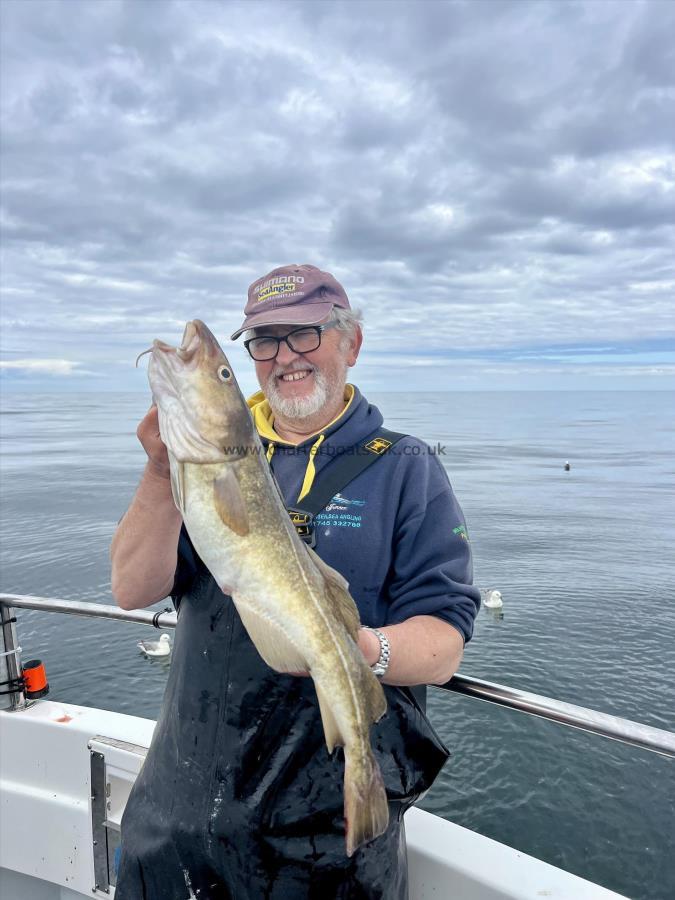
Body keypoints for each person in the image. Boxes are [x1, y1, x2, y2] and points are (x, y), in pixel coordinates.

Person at [112, 264, 481, 900]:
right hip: (179, 809)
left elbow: (444, 645)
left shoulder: (408, 468)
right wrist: (158, 469)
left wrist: (358, 653)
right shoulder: (208, 462)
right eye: (263, 342)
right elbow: (132, 589)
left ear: (351, 343)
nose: (284, 357)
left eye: (304, 334)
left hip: (322, 842)